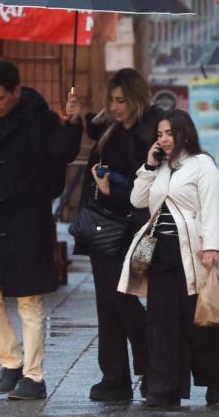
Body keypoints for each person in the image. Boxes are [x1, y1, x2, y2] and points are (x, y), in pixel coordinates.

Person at [0, 59, 82, 400]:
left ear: (16, 91)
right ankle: (10, 362)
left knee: (29, 300)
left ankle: (34, 376)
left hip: (28, 221)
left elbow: (62, 154)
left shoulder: (39, 118)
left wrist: (73, 122)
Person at [119, 110, 219, 408]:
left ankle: (217, 380)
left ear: (184, 133)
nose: (164, 139)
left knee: (199, 320)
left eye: (169, 133)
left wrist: (211, 247)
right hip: (159, 251)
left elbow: (212, 207)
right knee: (160, 321)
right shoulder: (159, 166)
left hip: (193, 251)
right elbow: (137, 200)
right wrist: (148, 166)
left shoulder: (202, 164)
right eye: (160, 134)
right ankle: (164, 389)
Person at [68, 68, 164, 401]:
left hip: (138, 230)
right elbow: (94, 127)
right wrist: (82, 112)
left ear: (137, 98)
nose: (116, 106)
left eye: (121, 100)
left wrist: (114, 186)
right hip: (105, 230)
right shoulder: (110, 129)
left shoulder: (150, 133)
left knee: (125, 300)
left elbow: (151, 187)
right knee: (107, 304)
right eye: (112, 100)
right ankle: (114, 376)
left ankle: (151, 368)